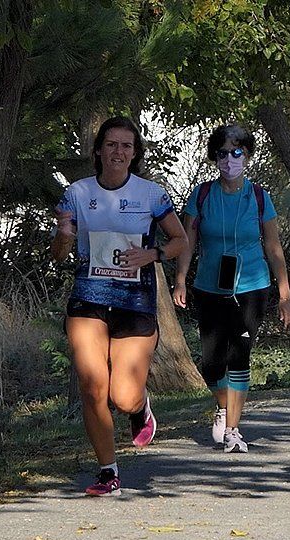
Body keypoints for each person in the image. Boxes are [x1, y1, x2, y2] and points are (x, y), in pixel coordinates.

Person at [51, 116, 188, 496]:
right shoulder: (76, 194)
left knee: (122, 396)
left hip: (134, 302)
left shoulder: (151, 195)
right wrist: (63, 236)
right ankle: (108, 472)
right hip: (88, 299)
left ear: (135, 153)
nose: (118, 152)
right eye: (111, 144)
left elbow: (180, 240)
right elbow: (59, 253)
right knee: (93, 385)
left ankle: (140, 405)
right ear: (98, 150)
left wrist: (153, 254)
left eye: (126, 146)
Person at [172, 125, 290, 453]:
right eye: (223, 153)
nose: (229, 160)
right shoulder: (201, 195)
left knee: (239, 355)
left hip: (252, 286)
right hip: (210, 287)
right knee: (212, 362)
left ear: (247, 156)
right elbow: (188, 240)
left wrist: (284, 295)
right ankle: (223, 406)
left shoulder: (258, 197)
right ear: (215, 158)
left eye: (236, 152)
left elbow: (273, 247)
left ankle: (233, 430)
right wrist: (181, 278)